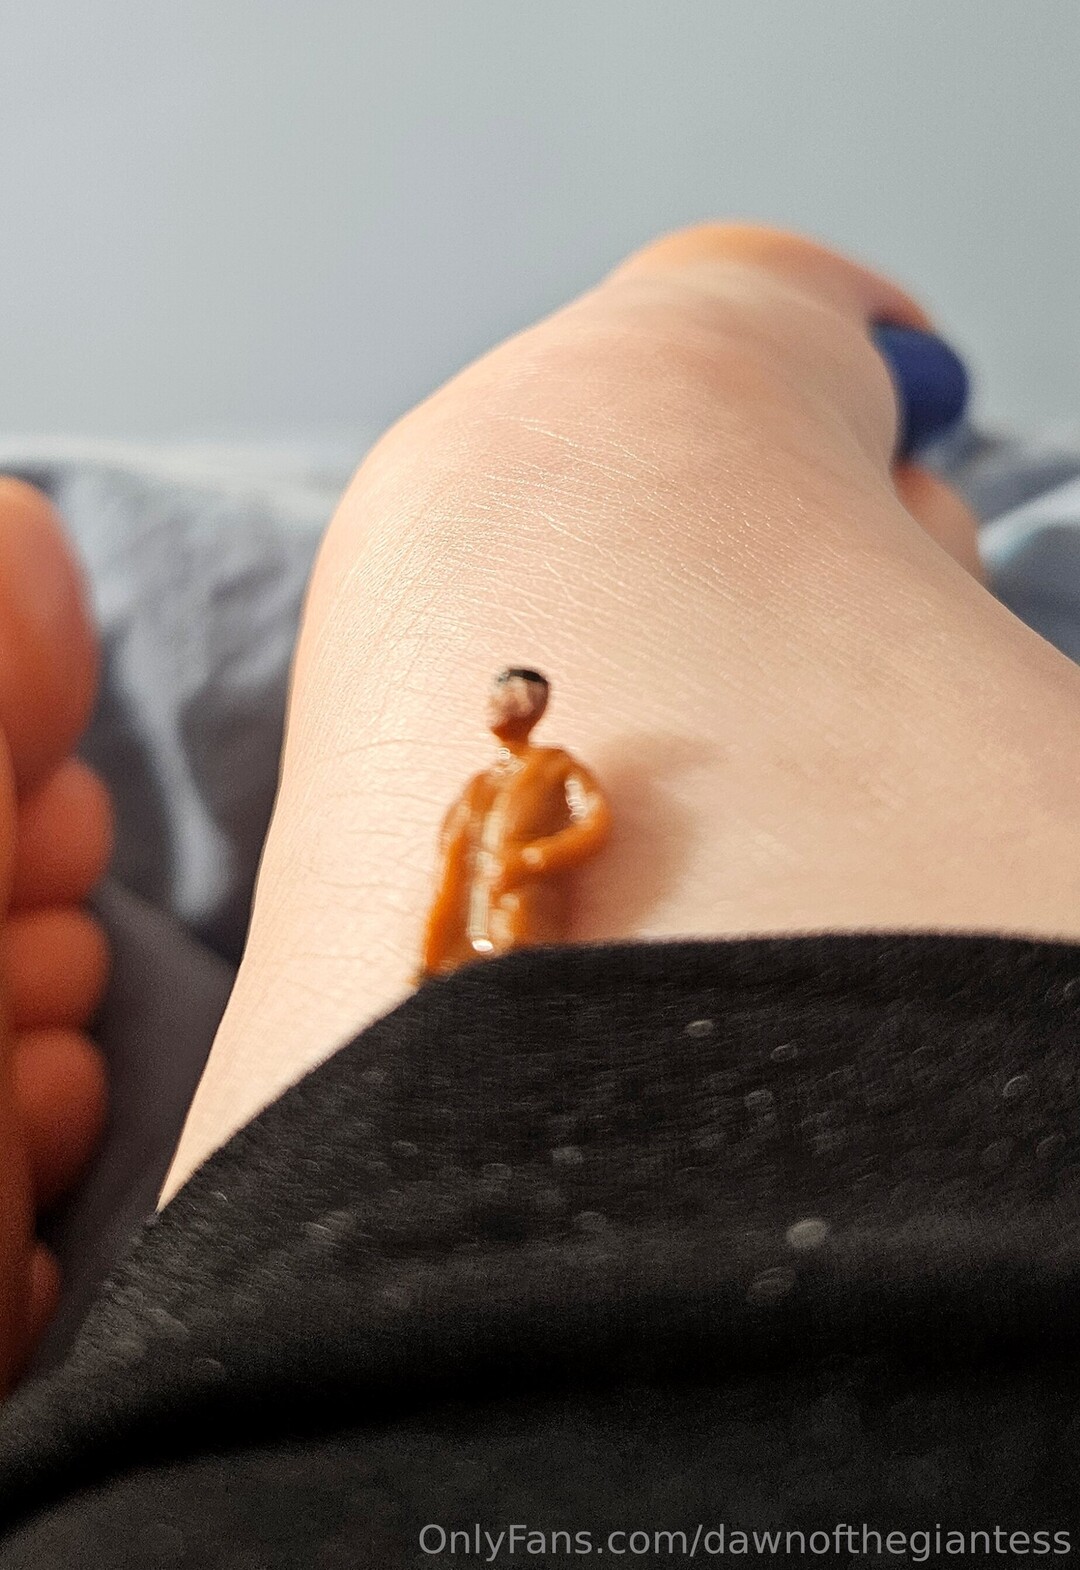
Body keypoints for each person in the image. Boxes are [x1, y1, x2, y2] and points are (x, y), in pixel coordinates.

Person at [2, 223, 1080, 1559]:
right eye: (507, 691)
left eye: (524, 689)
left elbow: (570, 823)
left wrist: (541, 877)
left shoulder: (556, 772)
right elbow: (464, 851)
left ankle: (592, 494)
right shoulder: (492, 790)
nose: (513, 708)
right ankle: (602, 470)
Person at [418, 668, 611, 979]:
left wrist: (529, 859)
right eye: (492, 698)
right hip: (463, 954)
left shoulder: (554, 765)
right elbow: (450, 869)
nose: (491, 706)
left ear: (527, 705)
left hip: (521, 925)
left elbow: (595, 823)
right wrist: (433, 950)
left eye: (504, 697)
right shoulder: (478, 785)